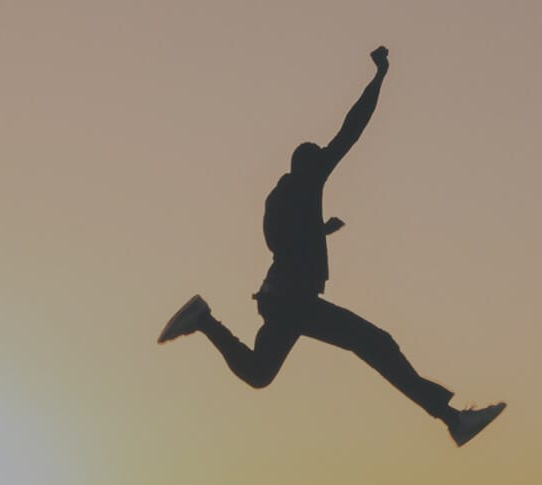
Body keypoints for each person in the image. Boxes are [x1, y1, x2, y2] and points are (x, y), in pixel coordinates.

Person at [157, 46, 505, 447]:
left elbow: (279, 242)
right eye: (319, 157)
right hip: (293, 301)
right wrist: (379, 77)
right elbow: (351, 129)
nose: (326, 159)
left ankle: (203, 319)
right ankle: (453, 420)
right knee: (376, 343)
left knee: (259, 373)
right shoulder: (308, 179)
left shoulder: (282, 196)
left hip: (280, 298)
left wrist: (319, 230)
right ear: (308, 164)